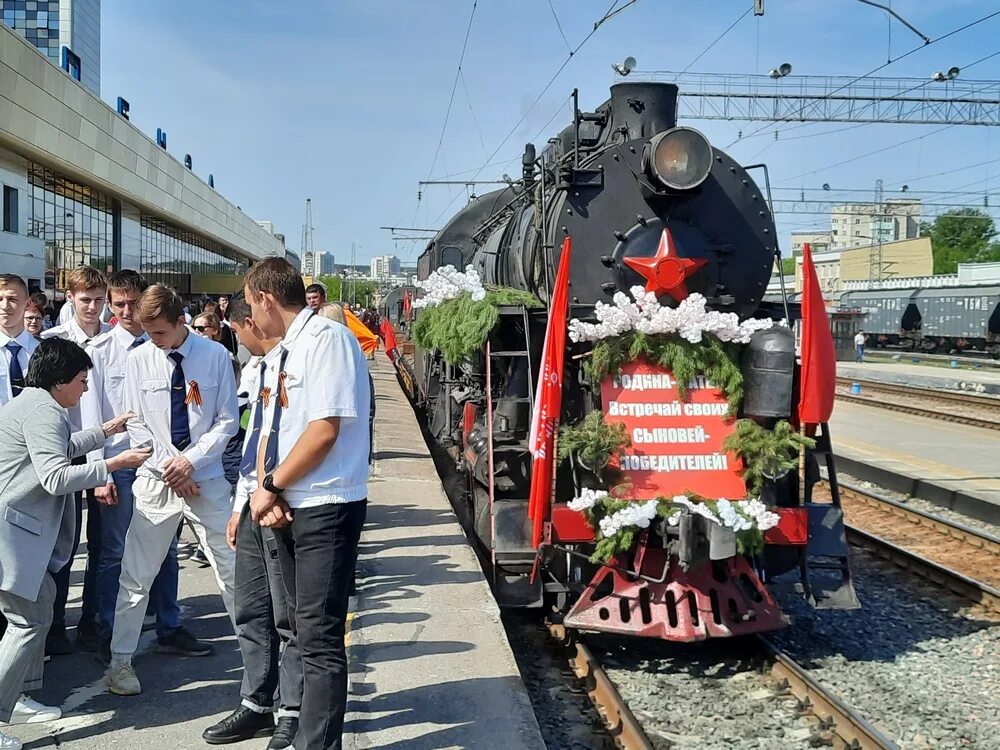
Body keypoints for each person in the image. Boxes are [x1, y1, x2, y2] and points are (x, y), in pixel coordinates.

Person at [0, 338, 150, 750]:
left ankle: (20, 697)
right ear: (60, 380)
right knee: (26, 622)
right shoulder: (44, 411)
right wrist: (114, 464)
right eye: (82, 381)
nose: (85, 389)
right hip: (13, 537)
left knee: (40, 611)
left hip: (19, 536)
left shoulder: (34, 403)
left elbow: (59, 449)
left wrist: (105, 430)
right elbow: (56, 476)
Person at [245, 258, 370, 750]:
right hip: (287, 503)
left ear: (267, 299)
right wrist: (266, 490)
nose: (253, 315)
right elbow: (269, 428)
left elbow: (324, 430)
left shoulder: (328, 342)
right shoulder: (285, 352)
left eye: (253, 302)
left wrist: (271, 486)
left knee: (318, 638)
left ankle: (317, 745)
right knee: (298, 626)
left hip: (325, 506)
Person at [105, 284, 239, 696]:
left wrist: (191, 461)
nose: (154, 341)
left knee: (233, 569)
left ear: (181, 323)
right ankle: (120, 662)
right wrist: (172, 466)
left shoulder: (215, 357)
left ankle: (260, 657)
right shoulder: (139, 359)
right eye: (149, 334)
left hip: (207, 479)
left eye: (160, 333)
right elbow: (135, 422)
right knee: (136, 574)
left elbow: (227, 420)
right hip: (157, 479)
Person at [79, 271, 203, 667]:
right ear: (110, 305)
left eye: (134, 303)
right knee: (114, 553)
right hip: (118, 462)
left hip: (160, 462)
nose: (127, 311)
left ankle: (169, 625)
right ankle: (109, 631)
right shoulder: (100, 351)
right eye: (119, 304)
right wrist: (99, 471)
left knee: (166, 549)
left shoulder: (166, 347)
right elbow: (90, 414)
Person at [202, 297, 301, 749]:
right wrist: (242, 504)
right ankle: (257, 703)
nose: (234, 339)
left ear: (252, 321)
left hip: (282, 504)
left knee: (288, 616)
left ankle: (292, 709)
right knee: (251, 609)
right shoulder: (254, 371)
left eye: (236, 330)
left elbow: (301, 436)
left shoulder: (295, 364)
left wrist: (274, 493)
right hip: (253, 503)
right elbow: (253, 442)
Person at [40, 267, 111, 656]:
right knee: (62, 542)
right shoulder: (52, 343)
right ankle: (53, 626)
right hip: (62, 448)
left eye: (99, 299)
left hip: (104, 445)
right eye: (85, 299)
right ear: (70, 298)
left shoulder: (117, 341)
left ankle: (93, 623)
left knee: (102, 544)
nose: (92, 306)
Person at [0, 275, 39, 407]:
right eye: (0, 299)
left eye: (12, 299)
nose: (5, 306)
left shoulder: (43, 352)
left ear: (27, 304)